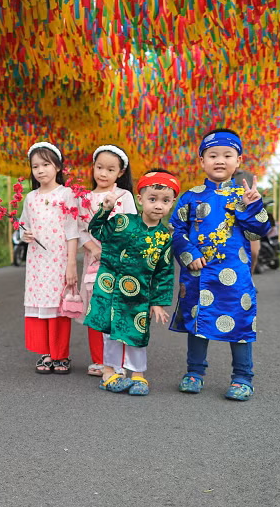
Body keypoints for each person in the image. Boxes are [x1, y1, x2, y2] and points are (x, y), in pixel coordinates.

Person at [170, 128, 272, 401]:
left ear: (238, 161)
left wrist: (252, 206)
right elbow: (176, 230)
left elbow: (259, 231)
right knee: (198, 321)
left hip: (235, 276)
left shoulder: (244, 196)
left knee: (240, 323)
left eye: (227, 155)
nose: (220, 160)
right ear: (202, 161)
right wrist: (189, 254)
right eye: (213, 155)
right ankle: (194, 372)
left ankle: (242, 377)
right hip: (198, 273)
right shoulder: (190, 197)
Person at [84, 170, 179, 396]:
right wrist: (105, 209)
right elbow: (96, 230)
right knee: (110, 332)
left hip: (139, 295)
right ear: (140, 199)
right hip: (110, 289)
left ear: (172, 203)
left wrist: (158, 302)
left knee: (137, 333)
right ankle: (109, 373)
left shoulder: (165, 237)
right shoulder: (122, 221)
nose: (158, 205)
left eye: (165, 201)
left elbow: (164, 272)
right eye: (152, 199)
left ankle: (138, 375)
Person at [18, 142, 79, 374]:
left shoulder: (67, 194)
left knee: (59, 306)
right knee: (40, 304)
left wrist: (71, 264)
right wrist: (25, 234)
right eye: (35, 166)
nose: (40, 170)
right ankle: (45, 353)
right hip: (36, 262)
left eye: (45, 164)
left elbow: (72, 231)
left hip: (59, 260)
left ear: (58, 167)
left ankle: (61, 354)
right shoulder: (30, 198)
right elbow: (23, 224)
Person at [77, 145, 138, 377]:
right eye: (99, 167)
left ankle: (117, 362)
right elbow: (79, 229)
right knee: (96, 309)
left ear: (120, 173)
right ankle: (99, 360)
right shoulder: (84, 197)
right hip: (95, 261)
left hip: (120, 262)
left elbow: (133, 227)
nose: (103, 173)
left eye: (110, 169)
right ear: (93, 167)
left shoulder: (124, 196)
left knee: (117, 309)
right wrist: (93, 248)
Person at [233, 167, 262, 275]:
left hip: (247, 217)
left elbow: (255, 194)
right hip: (224, 220)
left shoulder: (248, 176)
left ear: (238, 160)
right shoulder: (217, 175)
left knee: (254, 251)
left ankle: (249, 277)